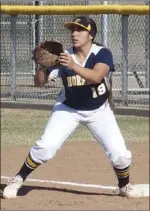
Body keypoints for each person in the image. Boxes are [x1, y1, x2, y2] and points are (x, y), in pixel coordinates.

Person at [3, 16, 141, 199]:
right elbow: (39, 84)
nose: (74, 34)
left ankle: (124, 187)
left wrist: (72, 65)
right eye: (72, 30)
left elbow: (96, 77)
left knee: (120, 154)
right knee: (46, 146)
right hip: (68, 109)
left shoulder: (102, 53)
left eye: (80, 30)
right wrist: (41, 67)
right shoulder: (64, 56)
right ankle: (18, 178)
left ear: (90, 34)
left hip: (99, 110)